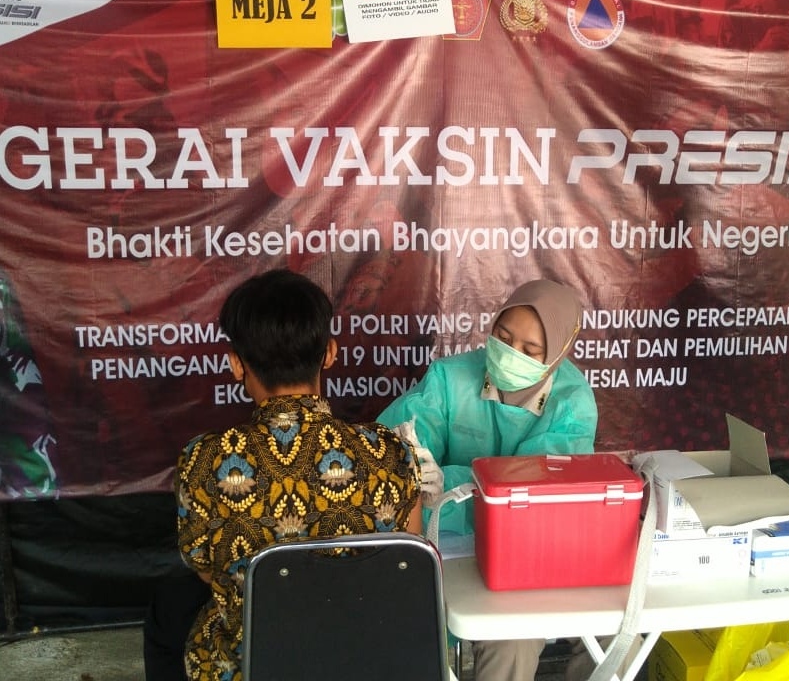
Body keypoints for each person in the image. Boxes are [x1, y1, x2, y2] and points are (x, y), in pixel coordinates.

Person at [172, 269, 421, 681]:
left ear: (236, 365)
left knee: (170, 611)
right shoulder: (389, 451)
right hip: (369, 659)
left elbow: (204, 567)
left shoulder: (203, 460)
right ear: (330, 353)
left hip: (254, 664)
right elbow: (408, 556)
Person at [377, 278, 597, 681]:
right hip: (444, 547)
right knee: (427, 629)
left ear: (559, 352)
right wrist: (414, 465)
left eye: (530, 350)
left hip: (526, 555)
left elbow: (532, 495)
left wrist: (450, 485)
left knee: (534, 636)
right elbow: (395, 451)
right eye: (503, 336)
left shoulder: (571, 402)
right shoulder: (450, 378)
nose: (511, 354)